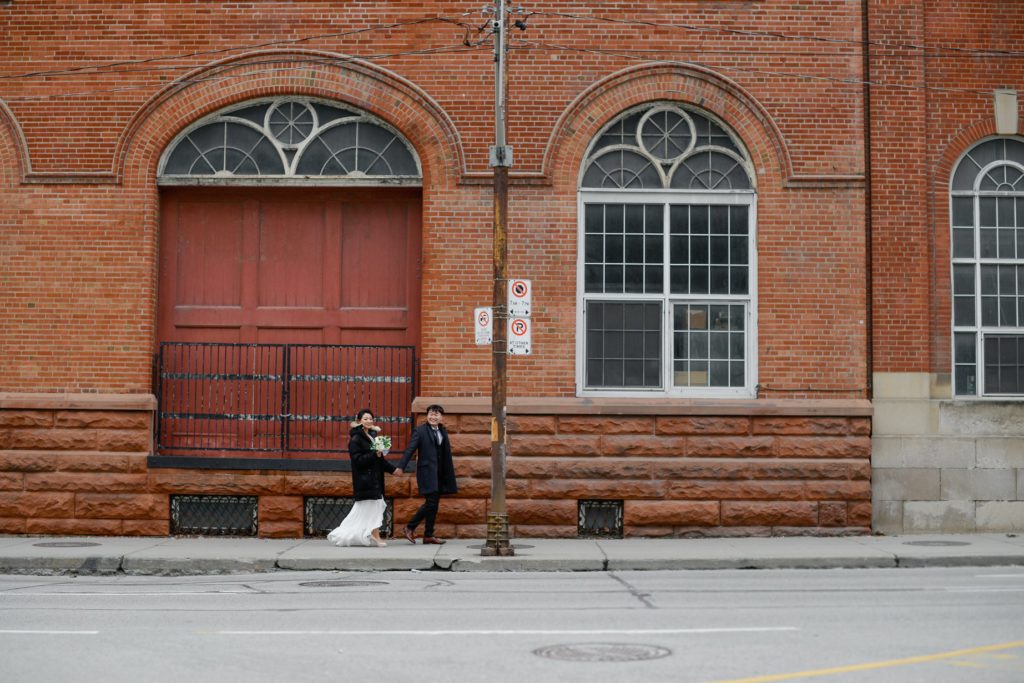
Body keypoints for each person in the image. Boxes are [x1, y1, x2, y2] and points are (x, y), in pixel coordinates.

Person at [327, 408, 402, 548]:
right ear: (359, 421)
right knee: (372, 509)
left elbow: (380, 461)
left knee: (374, 509)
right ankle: (373, 536)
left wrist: (394, 470)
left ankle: (371, 536)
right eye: (365, 418)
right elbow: (357, 461)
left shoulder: (373, 437)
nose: (369, 421)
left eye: (371, 419)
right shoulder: (355, 439)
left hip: (375, 480)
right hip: (365, 480)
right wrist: (375, 454)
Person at [396, 404, 458, 545]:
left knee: (434, 504)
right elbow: (410, 449)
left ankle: (428, 535)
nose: (433, 417)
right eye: (431, 414)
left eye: (436, 414)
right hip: (426, 472)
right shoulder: (420, 431)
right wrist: (401, 466)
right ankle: (410, 527)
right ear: (427, 415)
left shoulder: (443, 431)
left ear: (441, 417)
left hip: (440, 473)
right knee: (431, 502)